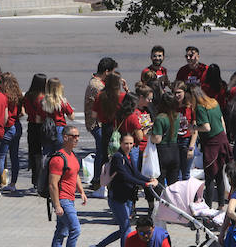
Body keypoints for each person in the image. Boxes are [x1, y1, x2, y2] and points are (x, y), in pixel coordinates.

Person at [95, 134, 159, 247]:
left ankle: (99, 246)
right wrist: (145, 184)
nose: (128, 146)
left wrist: (149, 179)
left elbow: (135, 173)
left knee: (124, 229)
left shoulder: (127, 156)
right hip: (117, 198)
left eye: (131, 143)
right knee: (126, 227)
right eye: (126, 143)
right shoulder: (118, 157)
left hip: (127, 197)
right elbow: (124, 176)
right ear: (120, 143)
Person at [191, 84, 229, 208]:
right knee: (220, 176)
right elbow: (222, 121)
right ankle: (221, 205)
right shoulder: (213, 102)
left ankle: (208, 206)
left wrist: (194, 127)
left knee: (210, 177)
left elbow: (206, 127)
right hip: (222, 139)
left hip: (212, 144)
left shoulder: (200, 108)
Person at [49, 125, 86, 247]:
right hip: (63, 200)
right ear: (65, 138)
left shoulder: (72, 155)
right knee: (75, 229)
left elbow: (75, 174)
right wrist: (57, 205)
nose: (77, 139)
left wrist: (81, 191)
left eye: (78, 136)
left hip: (70, 199)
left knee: (61, 232)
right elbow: (52, 184)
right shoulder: (58, 159)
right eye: (73, 136)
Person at [85, 58, 118, 191]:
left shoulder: (97, 82)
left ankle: (97, 179)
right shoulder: (97, 85)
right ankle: (98, 179)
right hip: (96, 123)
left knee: (101, 150)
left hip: (97, 121)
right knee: (102, 151)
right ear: (106, 71)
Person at [0, 72, 23, 192]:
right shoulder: (18, 95)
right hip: (17, 126)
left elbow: (5, 116)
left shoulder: (3, 96)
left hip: (7, 127)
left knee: (1, 156)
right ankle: (13, 183)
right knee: (14, 157)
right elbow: (22, 112)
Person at [147, 91, 180, 187]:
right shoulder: (177, 116)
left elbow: (157, 139)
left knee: (160, 182)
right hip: (174, 149)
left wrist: (149, 135)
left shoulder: (160, 118)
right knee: (173, 184)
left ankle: (161, 201)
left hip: (163, 151)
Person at [24, 73, 48, 188]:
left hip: (31, 125)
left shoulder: (28, 95)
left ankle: (35, 180)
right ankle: (41, 180)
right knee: (43, 154)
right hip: (42, 126)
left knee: (34, 153)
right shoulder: (43, 98)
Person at [172, 81, 197, 181]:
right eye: (174, 93)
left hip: (186, 141)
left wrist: (191, 147)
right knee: (176, 174)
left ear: (184, 92)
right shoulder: (172, 106)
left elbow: (195, 129)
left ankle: (187, 196)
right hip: (174, 141)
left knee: (186, 173)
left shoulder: (190, 107)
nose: (177, 95)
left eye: (179, 92)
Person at [42, 78, 75, 154]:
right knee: (60, 154)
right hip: (60, 128)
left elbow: (39, 117)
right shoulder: (62, 101)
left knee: (47, 154)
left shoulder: (44, 101)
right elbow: (72, 117)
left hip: (47, 129)